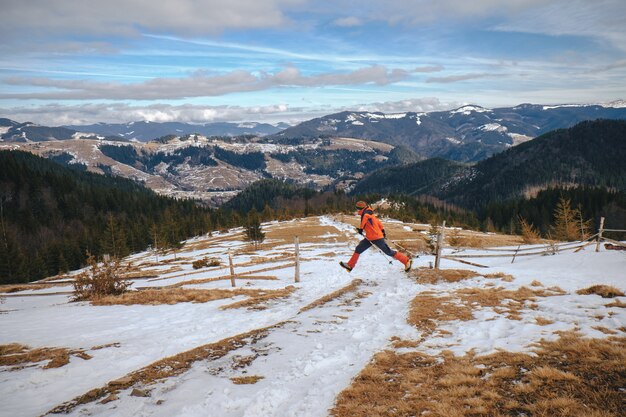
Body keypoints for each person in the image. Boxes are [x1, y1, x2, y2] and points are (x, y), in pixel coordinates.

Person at [340, 201, 412, 272]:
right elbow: (378, 222)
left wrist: (361, 229)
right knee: (358, 249)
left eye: (357, 208)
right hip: (369, 237)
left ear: (359, 208)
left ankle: (406, 261)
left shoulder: (366, 214)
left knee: (388, 252)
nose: (357, 210)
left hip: (377, 237)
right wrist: (382, 231)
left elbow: (366, 217)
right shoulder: (370, 213)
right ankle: (350, 265)